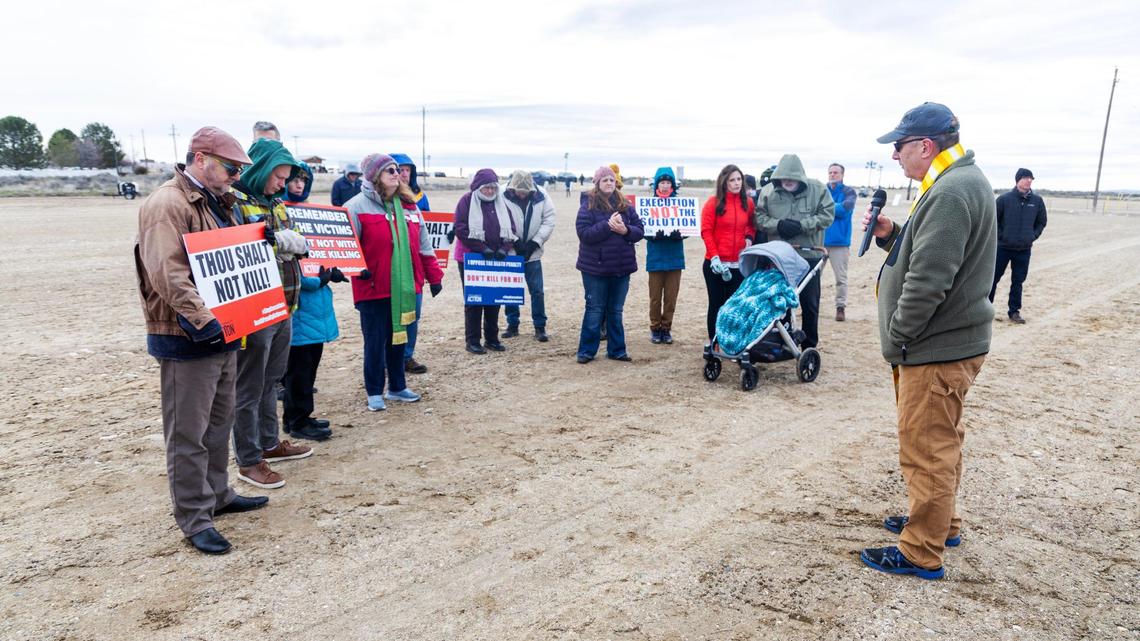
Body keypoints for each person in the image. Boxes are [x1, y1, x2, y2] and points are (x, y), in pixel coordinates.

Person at [860, 102, 996, 580]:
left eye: (899, 147)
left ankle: (921, 549)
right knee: (944, 440)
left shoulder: (950, 191)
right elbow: (933, 251)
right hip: (949, 343)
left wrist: (898, 335)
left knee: (926, 448)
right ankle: (941, 523)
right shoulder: (956, 182)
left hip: (935, 347)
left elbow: (929, 280)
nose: (895, 156)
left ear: (925, 146)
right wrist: (892, 233)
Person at [134, 126, 266, 555]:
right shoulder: (167, 204)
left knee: (217, 424)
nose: (235, 176)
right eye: (230, 167)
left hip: (223, 332)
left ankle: (219, 494)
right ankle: (194, 517)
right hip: (187, 336)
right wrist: (204, 320)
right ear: (201, 158)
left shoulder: (217, 202)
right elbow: (167, 273)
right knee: (188, 432)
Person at [229, 138, 313, 490]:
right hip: (254, 310)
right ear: (261, 170)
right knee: (248, 386)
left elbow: (294, 242)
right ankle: (249, 459)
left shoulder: (277, 204)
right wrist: (275, 244)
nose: (282, 184)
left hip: (284, 305)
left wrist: (297, 244)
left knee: (271, 379)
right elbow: (235, 249)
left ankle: (269, 442)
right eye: (278, 177)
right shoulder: (235, 203)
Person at [345, 154, 442, 410]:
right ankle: (374, 391)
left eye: (397, 169)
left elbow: (423, 245)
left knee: (399, 339)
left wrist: (434, 277)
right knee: (376, 341)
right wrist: (358, 269)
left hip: (405, 286)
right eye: (389, 170)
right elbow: (348, 247)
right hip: (373, 288)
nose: (395, 173)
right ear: (374, 175)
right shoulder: (356, 206)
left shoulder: (410, 206)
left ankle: (397, 387)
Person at [280, 162, 343, 441]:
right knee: (298, 371)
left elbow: (323, 253)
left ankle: (302, 416)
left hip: (316, 306)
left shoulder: (310, 213)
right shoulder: (283, 215)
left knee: (308, 368)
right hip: (300, 307)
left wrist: (337, 268)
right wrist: (320, 278)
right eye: (294, 180)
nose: (299, 185)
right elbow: (295, 266)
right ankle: (296, 421)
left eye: (304, 181)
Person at [755, 154, 834, 348]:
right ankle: (781, 340)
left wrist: (803, 226)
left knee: (810, 303)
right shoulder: (768, 192)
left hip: (809, 256)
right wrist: (778, 225)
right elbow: (759, 217)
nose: (787, 181)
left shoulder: (819, 190)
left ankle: (809, 346)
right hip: (779, 257)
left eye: (792, 178)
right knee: (778, 301)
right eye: (784, 177)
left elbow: (827, 215)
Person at [575, 165, 644, 363]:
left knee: (615, 310)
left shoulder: (625, 205)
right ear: (597, 183)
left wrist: (625, 230)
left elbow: (640, 229)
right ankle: (586, 351)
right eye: (604, 180)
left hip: (621, 269)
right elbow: (584, 234)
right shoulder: (588, 205)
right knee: (594, 308)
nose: (609, 183)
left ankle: (617, 350)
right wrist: (607, 226)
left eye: (612, 180)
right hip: (595, 269)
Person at [455, 169, 516, 354]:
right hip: (471, 258)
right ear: (477, 187)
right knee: (474, 300)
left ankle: (492, 338)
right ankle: (473, 340)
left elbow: (511, 228)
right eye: (486, 187)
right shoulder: (466, 201)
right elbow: (460, 228)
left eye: (492, 187)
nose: (489, 191)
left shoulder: (501, 203)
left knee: (493, 299)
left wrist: (503, 249)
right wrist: (482, 248)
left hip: (496, 257)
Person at [390, 153, 435, 373]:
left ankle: (407, 356)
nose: (404, 173)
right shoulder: (382, 198)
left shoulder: (419, 198)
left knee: (413, 314)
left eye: (408, 169)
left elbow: (428, 232)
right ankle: (390, 358)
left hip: (415, 266)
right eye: (399, 169)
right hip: (392, 268)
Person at [700, 164, 756, 342]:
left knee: (735, 307)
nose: (737, 183)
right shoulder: (713, 202)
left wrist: (748, 237)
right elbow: (706, 231)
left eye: (739, 179)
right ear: (724, 182)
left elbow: (751, 225)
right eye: (732, 180)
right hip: (715, 264)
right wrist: (714, 255)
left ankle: (732, 343)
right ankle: (714, 342)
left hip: (737, 264)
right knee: (716, 304)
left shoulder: (748, 203)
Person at [502, 170, 556, 342]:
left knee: (537, 291)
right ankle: (512, 324)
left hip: (533, 254)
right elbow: (500, 220)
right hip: (511, 252)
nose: (521, 194)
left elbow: (549, 219)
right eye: (518, 191)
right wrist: (515, 241)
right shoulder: (501, 195)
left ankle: (540, 327)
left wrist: (535, 243)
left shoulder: (542, 195)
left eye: (525, 191)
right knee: (510, 290)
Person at [990, 168, 1047, 324]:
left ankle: (1014, 312)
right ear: (1018, 180)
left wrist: (1031, 236)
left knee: (1018, 281)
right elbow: (993, 220)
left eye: (1031, 178)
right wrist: (1001, 236)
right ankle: (986, 310)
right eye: (1025, 178)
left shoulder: (1037, 201)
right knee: (993, 279)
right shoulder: (1004, 199)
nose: (1029, 180)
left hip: (1024, 249)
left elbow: (1042, 222)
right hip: (1003, 248)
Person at [645, 167, 685, 345]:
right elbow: (642, 228)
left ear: (673, 185)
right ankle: (655, 328)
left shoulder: (680, 205)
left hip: (675, 257)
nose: (665, 186)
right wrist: (653, 235)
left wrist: (681, 234)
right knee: (655, 297)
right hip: (656, 257)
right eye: (662, 182)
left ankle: (666, 328)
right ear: (656, 184)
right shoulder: (649, 205)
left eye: (668, 182)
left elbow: (688, 225)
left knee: (671, 297)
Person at [824, 163, 857, 321]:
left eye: (836, 172)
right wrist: (834, 207)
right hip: (820, 242)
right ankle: (811, 305)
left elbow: (844, 210)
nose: (832, 175)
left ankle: (840, 307)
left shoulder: (848, 192)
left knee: (841, 279)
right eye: (830, 172)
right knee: (812, 277)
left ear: (842, 175)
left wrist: (825, 208)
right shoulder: (822, 190)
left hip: (840, 243)